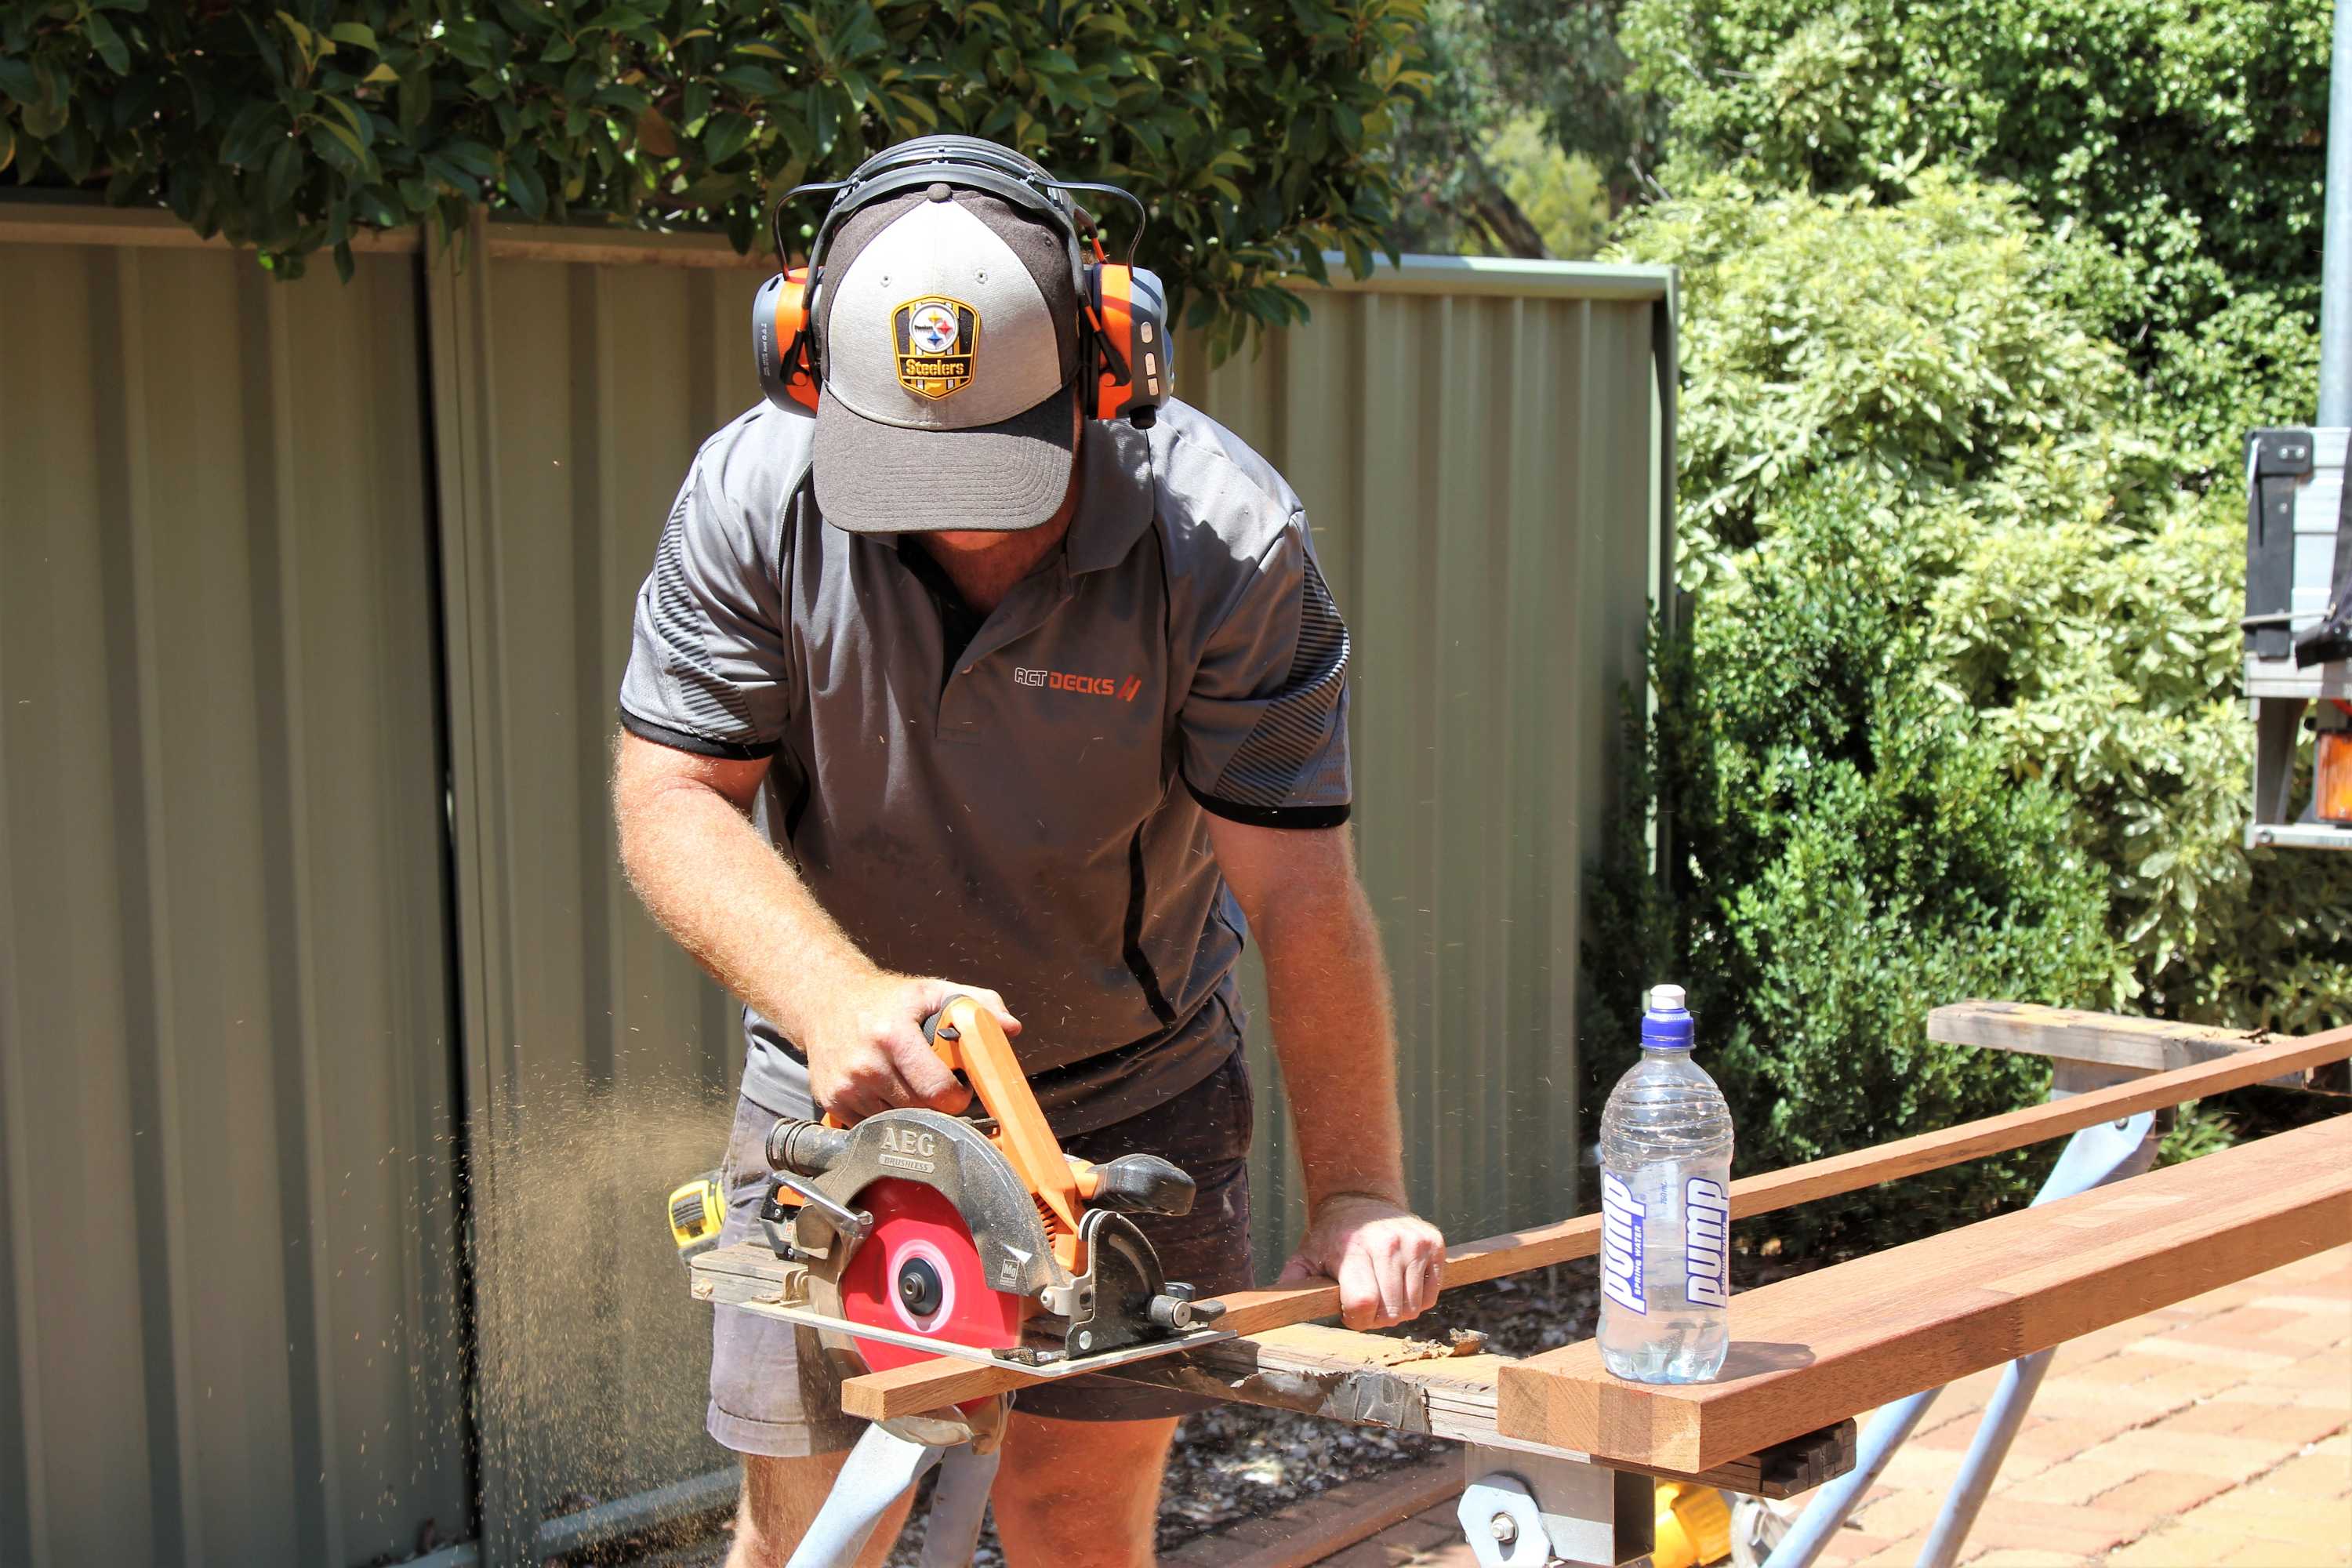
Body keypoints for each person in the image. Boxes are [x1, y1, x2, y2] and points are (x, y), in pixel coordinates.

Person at [611, 136, 1446, 1568]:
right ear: (808, 372)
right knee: (812, 1527)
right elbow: (669, 798)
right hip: (845, 1101)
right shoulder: (754, 499)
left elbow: (1300, 889)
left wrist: (1359, 1186)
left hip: (1138, 1099)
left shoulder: (1226, 545)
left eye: (997, 468)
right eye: (906, 466)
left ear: (1110, 365)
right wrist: (833, 999)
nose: (955, 513)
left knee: (1072, 1517)